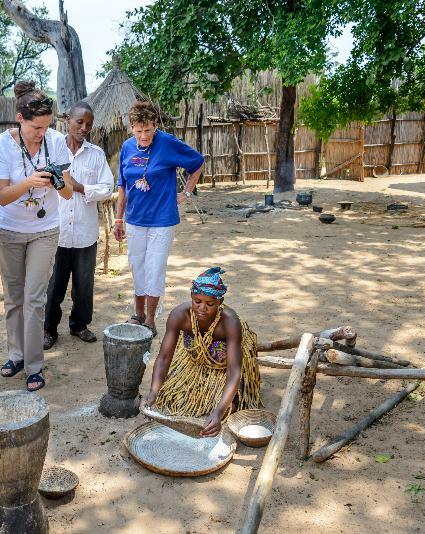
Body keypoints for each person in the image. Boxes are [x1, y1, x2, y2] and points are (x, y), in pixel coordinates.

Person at [0, 80, 74, 391]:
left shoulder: (56, 142)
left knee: (35, 299)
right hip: (9, 230)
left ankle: (34, 366)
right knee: (14, 297)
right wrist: (30, 181)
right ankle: (16, 354)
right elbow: (2, 196)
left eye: (46, 127)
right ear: (20, 119)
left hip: (44, 230)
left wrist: (55, 182)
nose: (42, 133)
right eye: (36, 127)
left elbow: (67, 193)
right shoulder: (2, 144)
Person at [113, 101, 204, 336]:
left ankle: (151, 320)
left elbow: (197, 162)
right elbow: (122, 185)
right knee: (137, 266)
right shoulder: (126, 148)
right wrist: (118, 219)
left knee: (154, 269)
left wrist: (186, 192)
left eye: (148, 129)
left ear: (155, 125)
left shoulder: (167, 143)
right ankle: (138, 314)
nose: (144, 135)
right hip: (134, 219)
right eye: (139, 130)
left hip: (162, 220)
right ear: (131, 128)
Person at [139, 267, 263, 437]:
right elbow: (164, 358)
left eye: (210, 304)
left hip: (224, 365)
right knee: (173, 399)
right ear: (191, 297)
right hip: (197, 360)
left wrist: (218, 412)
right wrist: (153, 392)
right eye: (197, 301)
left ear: (220, 302)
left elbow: (234, 372)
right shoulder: (179, 316)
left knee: (226, 409)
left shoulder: (230, 322)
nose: (202, 308)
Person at [43, 102, 114, 350]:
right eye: (79, 122)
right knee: (53, 285)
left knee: (84, 284)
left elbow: (107, 188)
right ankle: (48, 329)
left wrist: (79, 186)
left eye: (89, 124)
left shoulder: (95, 154)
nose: (84, 128)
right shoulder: (51, 150)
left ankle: (79, 325)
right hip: (56, 231)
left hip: (85, 232)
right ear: (67, 120)